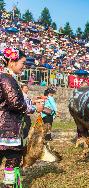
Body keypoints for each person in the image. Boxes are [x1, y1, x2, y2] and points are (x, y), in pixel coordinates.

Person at [0, 48, 42, 187]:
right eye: (22, 63)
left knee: (12, 159)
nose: (24, 66)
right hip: (6, 129)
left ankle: (9, 185)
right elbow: (15, 102)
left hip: (6, 127)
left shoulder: (6, 78)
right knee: (13, 159)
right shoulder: (7, 78)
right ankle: (9, 185)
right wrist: (34, 108)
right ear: (12, 62)